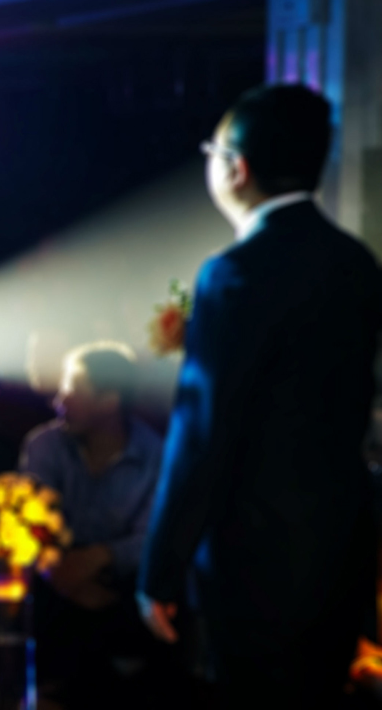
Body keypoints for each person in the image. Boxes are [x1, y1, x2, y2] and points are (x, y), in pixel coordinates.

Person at [138, 84, 382, 708]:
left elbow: (202, 433)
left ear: (236, 169)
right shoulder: (357, 262)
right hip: (342, 545)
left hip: (254, 561)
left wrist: (161, 568)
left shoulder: (235, 271)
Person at [20, 342, 162, 707]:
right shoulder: (44, 445)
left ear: (109, 401)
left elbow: (150, 538)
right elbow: (32, 524)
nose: (59, 401)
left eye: (72, 390)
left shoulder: (154, 455)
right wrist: (63, 575)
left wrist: (99, 557)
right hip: (54, 582)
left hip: (118, 588)